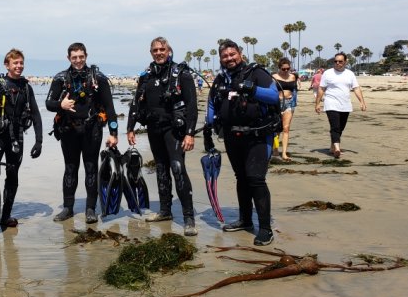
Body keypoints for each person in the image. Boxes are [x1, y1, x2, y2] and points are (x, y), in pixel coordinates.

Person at [203, 40, 280, 246]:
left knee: (256, 179)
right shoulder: (221, 79)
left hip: (257, 136)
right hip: (232, 136)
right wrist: (209, 124)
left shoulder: (256, 73)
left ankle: (265, 229)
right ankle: (245, 220)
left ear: (240, 53)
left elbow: (274, 96)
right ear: (220, 58)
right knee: (242, 178)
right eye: (225, 56)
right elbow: (212, 102)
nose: (229, 58)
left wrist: (250, 88)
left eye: (232, 54)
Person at [126, 37, 198, 236]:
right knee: (160, 169)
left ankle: (189, 218)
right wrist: (130, 128)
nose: (158, 53)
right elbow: (136, 103)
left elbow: (192, 106)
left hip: (174, 130)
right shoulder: (146, 76)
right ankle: (165, 211)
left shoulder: (181, 74)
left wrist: (190, 133)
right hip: (154, 128)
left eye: (162, 49)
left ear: (169, 51)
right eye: (155, 50)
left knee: (177, 168)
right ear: (151, 53)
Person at [0, 49, 43, 234]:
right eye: (15, 63)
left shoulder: (26, 88)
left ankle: (5, 216)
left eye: (21, 63)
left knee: (12, 177)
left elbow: (36, 114)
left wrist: (39, 141)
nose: (19, 66)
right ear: (7, 65)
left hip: (17, 138)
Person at [47, 42, 118, 224]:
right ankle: (68, 208)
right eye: (74, 57)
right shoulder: (60, 78)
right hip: (68, 130)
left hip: (91, 130)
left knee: (91, 167)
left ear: (86, 56)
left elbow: (110, 108)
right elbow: (49, 103)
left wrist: (114, 133)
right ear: (68, 58)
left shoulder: (98, 78)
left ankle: (90, 209)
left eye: (81, 57)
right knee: (70, 168)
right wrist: (61, 104)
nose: (78, 60)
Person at [315, 52, 367, 158]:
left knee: (340, 128)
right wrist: (317, 103)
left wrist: (362, 102)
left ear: (345, 62)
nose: (337, 63)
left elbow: (356, 88)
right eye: (335, 61)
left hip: (345, 105)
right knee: (335, 126)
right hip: (331, 103)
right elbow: (321, 88)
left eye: (340, 61)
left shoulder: (350, 74)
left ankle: (332, 147)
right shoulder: (328, 73)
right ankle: (337, 149)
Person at [272, 57, 300, 161]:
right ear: (279, 68)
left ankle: (284, 153)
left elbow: (295, 89)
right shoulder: (274, 77)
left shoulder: (293, 76)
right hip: (276, 103)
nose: (286, 71)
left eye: (288, 68)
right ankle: (275, 149)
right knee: (276, 129)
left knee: (286, 128)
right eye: (283, 69)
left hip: (289, 103)